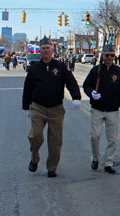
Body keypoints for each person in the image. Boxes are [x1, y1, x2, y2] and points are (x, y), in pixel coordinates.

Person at [22, 36, 81, 177]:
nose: (46, 51)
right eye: (43, 49)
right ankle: (34, 158)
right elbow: (27, 88)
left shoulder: (60, 67)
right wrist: (26, 106)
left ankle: (52, 167)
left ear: (52, 49)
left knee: (55, 141)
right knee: (35, 135)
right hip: (38, 108)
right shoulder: (34, 69)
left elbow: (71, 82)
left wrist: (76, 98)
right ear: (40, 51)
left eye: (48, 48)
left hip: (56, 109)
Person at [83, 44, 120, 174]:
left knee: (112, 139)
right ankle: (95, 158)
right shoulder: (95, 71)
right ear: (102, 56)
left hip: (112, 110)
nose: (110, 58)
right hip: (97, 109)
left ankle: (109, 163)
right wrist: (91, 93)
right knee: (95, 136)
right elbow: (86, 85)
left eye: (112, 55)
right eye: (107, 55)